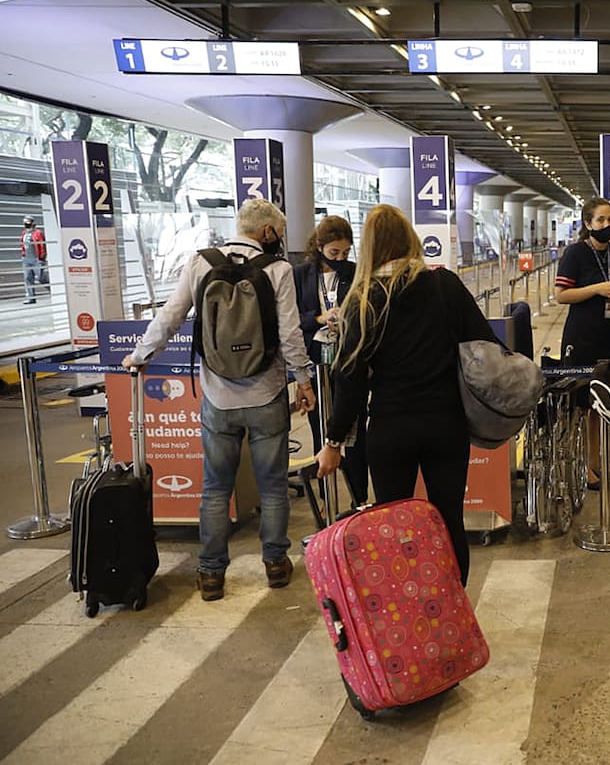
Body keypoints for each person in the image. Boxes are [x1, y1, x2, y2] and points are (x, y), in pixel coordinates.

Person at [123, 198, 315, 601]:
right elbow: (290, 333)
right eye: (278, 232)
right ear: (266, 231)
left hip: (217, 397)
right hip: (266, 394)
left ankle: (211, 574)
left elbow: (170, 316)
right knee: (274, 487)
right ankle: (276, 565)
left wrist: (140, 356)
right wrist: (304, 379)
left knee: (215, 488)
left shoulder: (200, 263)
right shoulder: (278, 270)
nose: (279, 239)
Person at [316, 204, 494, 586]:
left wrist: (333, 440)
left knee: (393, 523)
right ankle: (453, 611)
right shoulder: (445, 285)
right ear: (411, 239)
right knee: (449, 518)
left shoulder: (363, 299)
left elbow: (350, 379)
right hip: (446, 424)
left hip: (391, 427)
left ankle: (408, 612)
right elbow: (485, 346)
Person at [553, 197, 610, 487]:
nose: (607, 225)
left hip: (609, 336)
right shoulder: (575, 254)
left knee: (606, 404)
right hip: (581, 337)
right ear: (588, 224)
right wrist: (598, 288)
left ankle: (600, 463)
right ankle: (584, 465)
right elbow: (561, 295)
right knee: (584, 405)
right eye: (601, 220)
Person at [293, 216, 369, 507]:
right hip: (316, 361)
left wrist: (347, 322)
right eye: (334, 253)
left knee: (354, 430)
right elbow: (291, 318)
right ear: (319, 246)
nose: (339, 258)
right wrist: (318, 319)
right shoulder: (301, 274)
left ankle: (359, 497)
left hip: (349, 360)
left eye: (345, 253)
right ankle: (327, 497)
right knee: (320, 428)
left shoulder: (355, 273)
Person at [19, 215, 46, 304]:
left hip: (36, 259)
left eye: (27, 223)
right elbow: (22, 244)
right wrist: (23, 254)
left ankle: (54, 292)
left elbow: (42, 245)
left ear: (32, 223)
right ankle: (31, 298)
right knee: (28, 278)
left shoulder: (38, 233)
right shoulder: (24, 233)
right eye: (24, 223)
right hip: (26, 259)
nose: (26, 225)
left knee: (41, 278)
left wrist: (42, 257)